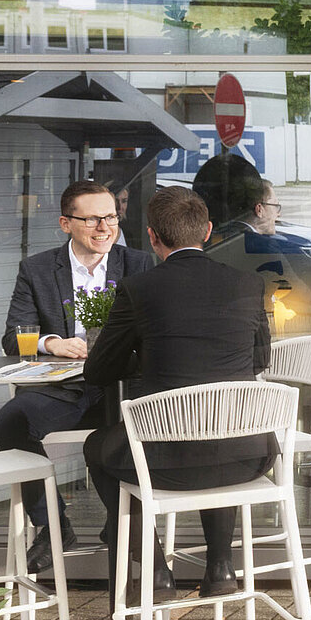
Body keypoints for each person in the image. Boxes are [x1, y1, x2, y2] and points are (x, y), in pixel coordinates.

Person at [84, 186, 275, 596]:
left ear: (152, 237)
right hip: (249, 455)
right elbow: (260, 360)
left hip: (164, 463)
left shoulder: (138, 289)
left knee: (96, 448)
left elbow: (99, 370)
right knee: (217, 425)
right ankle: (221, 568)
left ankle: (154, 568)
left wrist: (150, 359)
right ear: (207, 231)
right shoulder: (247, 284)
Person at [0, 179, 156, 572]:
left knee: (117, 439)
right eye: (93, 220)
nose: (104, 228)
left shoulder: (139, 264)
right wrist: (52, 343)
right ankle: (52, 524)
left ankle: (125, 527)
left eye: (111, 217)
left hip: (123, 388)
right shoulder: (37, 269)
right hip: (67, 387)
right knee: (10, 422)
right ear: (66, 223)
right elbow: (13, 337)